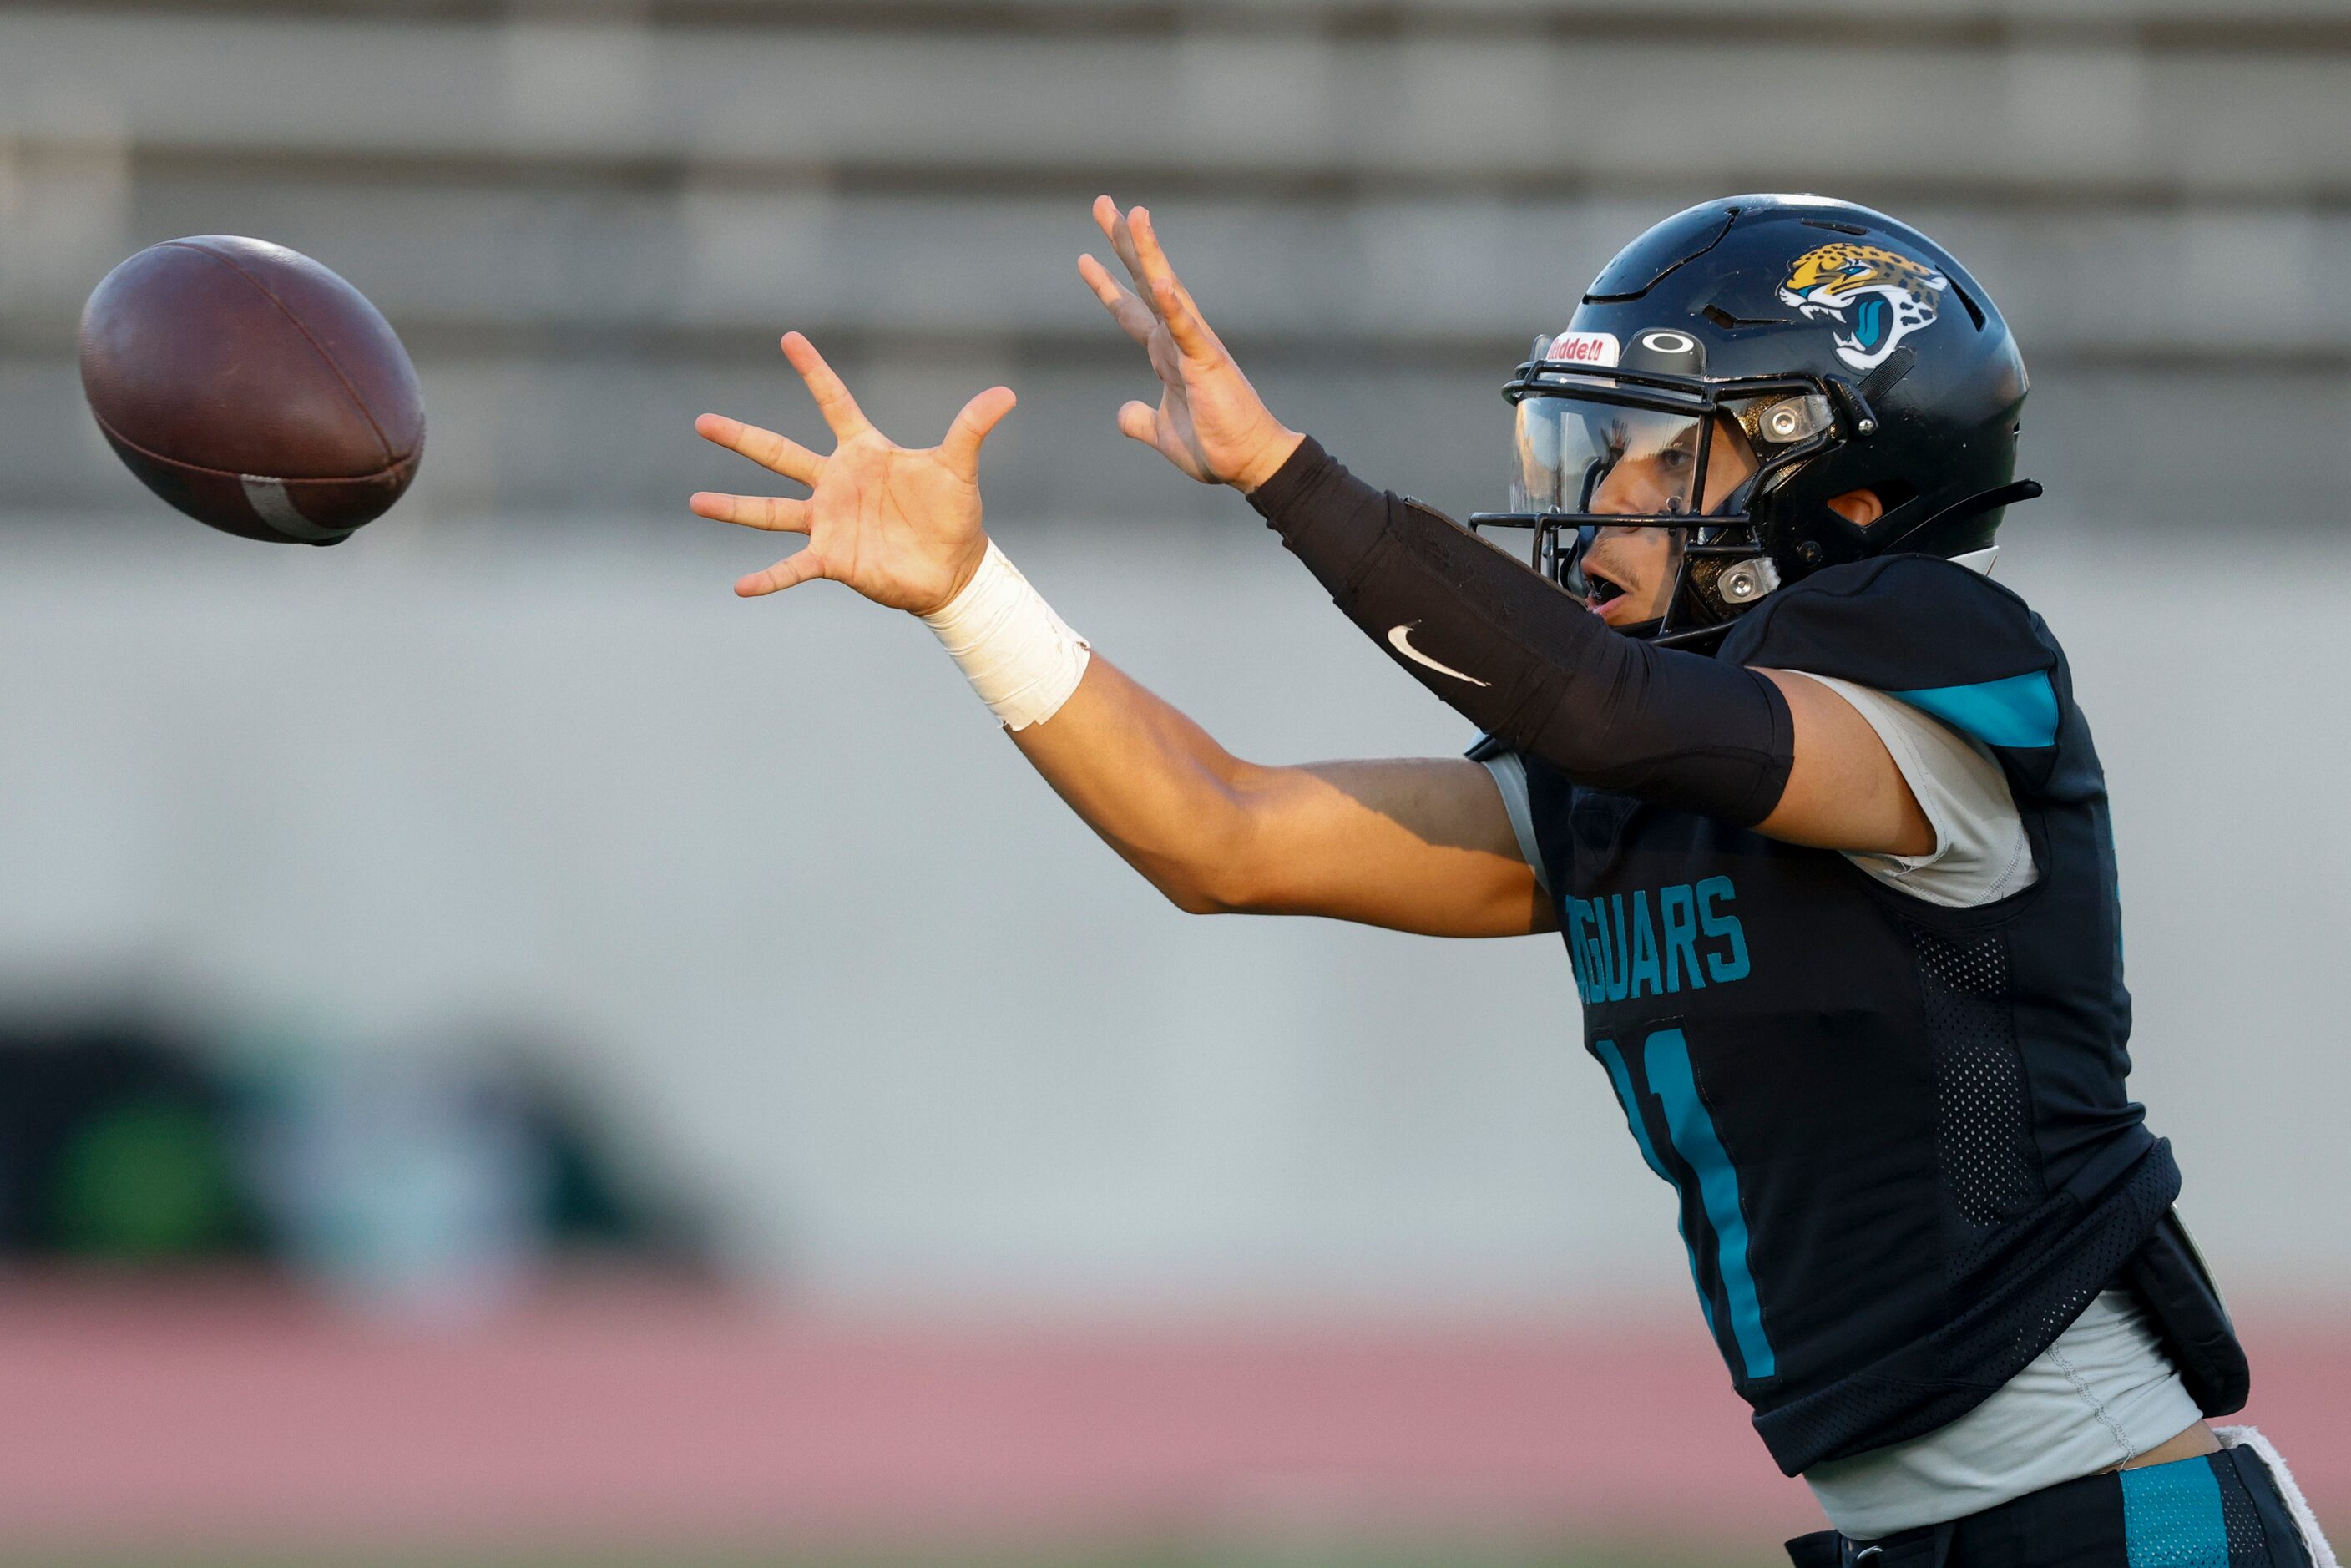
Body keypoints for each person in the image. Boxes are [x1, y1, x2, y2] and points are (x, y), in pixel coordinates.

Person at [688, 194, 2335, 1567]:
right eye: (1589, 446)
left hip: (2118, 1525)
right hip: (1911, 1535)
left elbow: (1603, 709)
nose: (1595, 498)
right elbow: (1223, 834)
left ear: (1825, 475)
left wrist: (1286, 476)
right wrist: (970, 593)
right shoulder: (1633, 770)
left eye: (1650, 457)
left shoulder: (1927, 658)